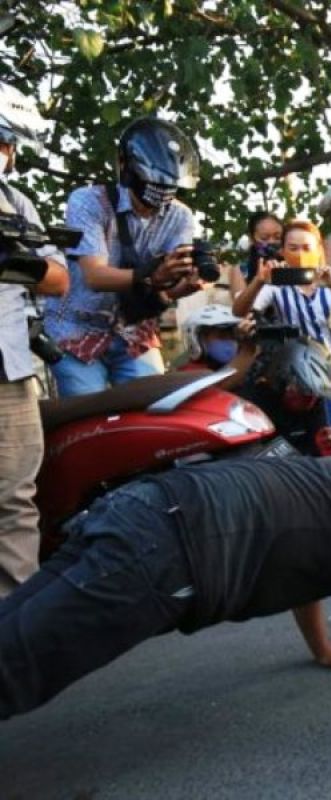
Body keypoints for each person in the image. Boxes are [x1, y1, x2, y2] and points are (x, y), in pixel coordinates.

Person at [0, 457, 331, 728]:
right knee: (16, 669)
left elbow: (306, 566)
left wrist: (322, 646)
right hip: (166, 548)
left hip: (144, 510)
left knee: (11, 635)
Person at [45, 117, 203, 397]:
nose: (163, 190)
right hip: (75, 327)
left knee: (155, 408)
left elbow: (166, 287)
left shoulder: (181, 216)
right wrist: (151, 275)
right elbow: (94, 275)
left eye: (170, 184)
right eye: (154, 180)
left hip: (133, 329)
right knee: (88, 417)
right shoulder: (88, 201)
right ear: (124, 166)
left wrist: (184, 285)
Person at [0, 83, 70, 597]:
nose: (5, 154)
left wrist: (10, 258)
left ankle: (15, 639)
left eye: (7, 145)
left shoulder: (15, 201)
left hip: (10, 370)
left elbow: (59, 277)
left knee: (15, 504)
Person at [232, 219, 331, 430]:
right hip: (301, 382)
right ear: (283, 251)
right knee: (315, 441)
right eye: (293, 248)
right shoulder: (276, 283)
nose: (300, 253)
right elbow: (239, 310)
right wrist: (259, 280)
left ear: (319, 249)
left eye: (307, 247)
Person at [228, 211, 284, 301]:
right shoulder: (241, 269)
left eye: (277, 237)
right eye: (264, 238)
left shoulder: (291, 263)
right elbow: (240, 308)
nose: (271, 242)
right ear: (252, 239)